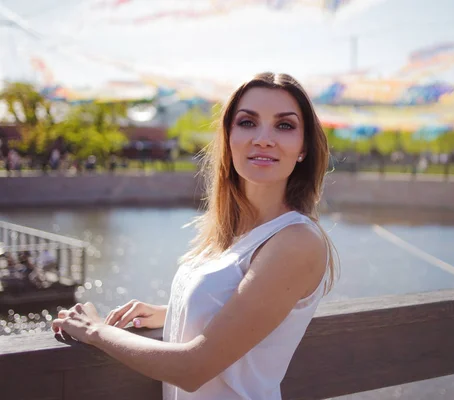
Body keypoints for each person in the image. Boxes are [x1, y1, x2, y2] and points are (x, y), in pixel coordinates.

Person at [51, 72, 339, 399]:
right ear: (228, 137)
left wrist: (96, 331)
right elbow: (239, 309)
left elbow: (194, 367)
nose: (263, 138)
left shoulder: (296, 241)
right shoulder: (232, 231)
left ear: (303, 148)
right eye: (247, 122)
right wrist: (175, 311)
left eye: (284, 125)